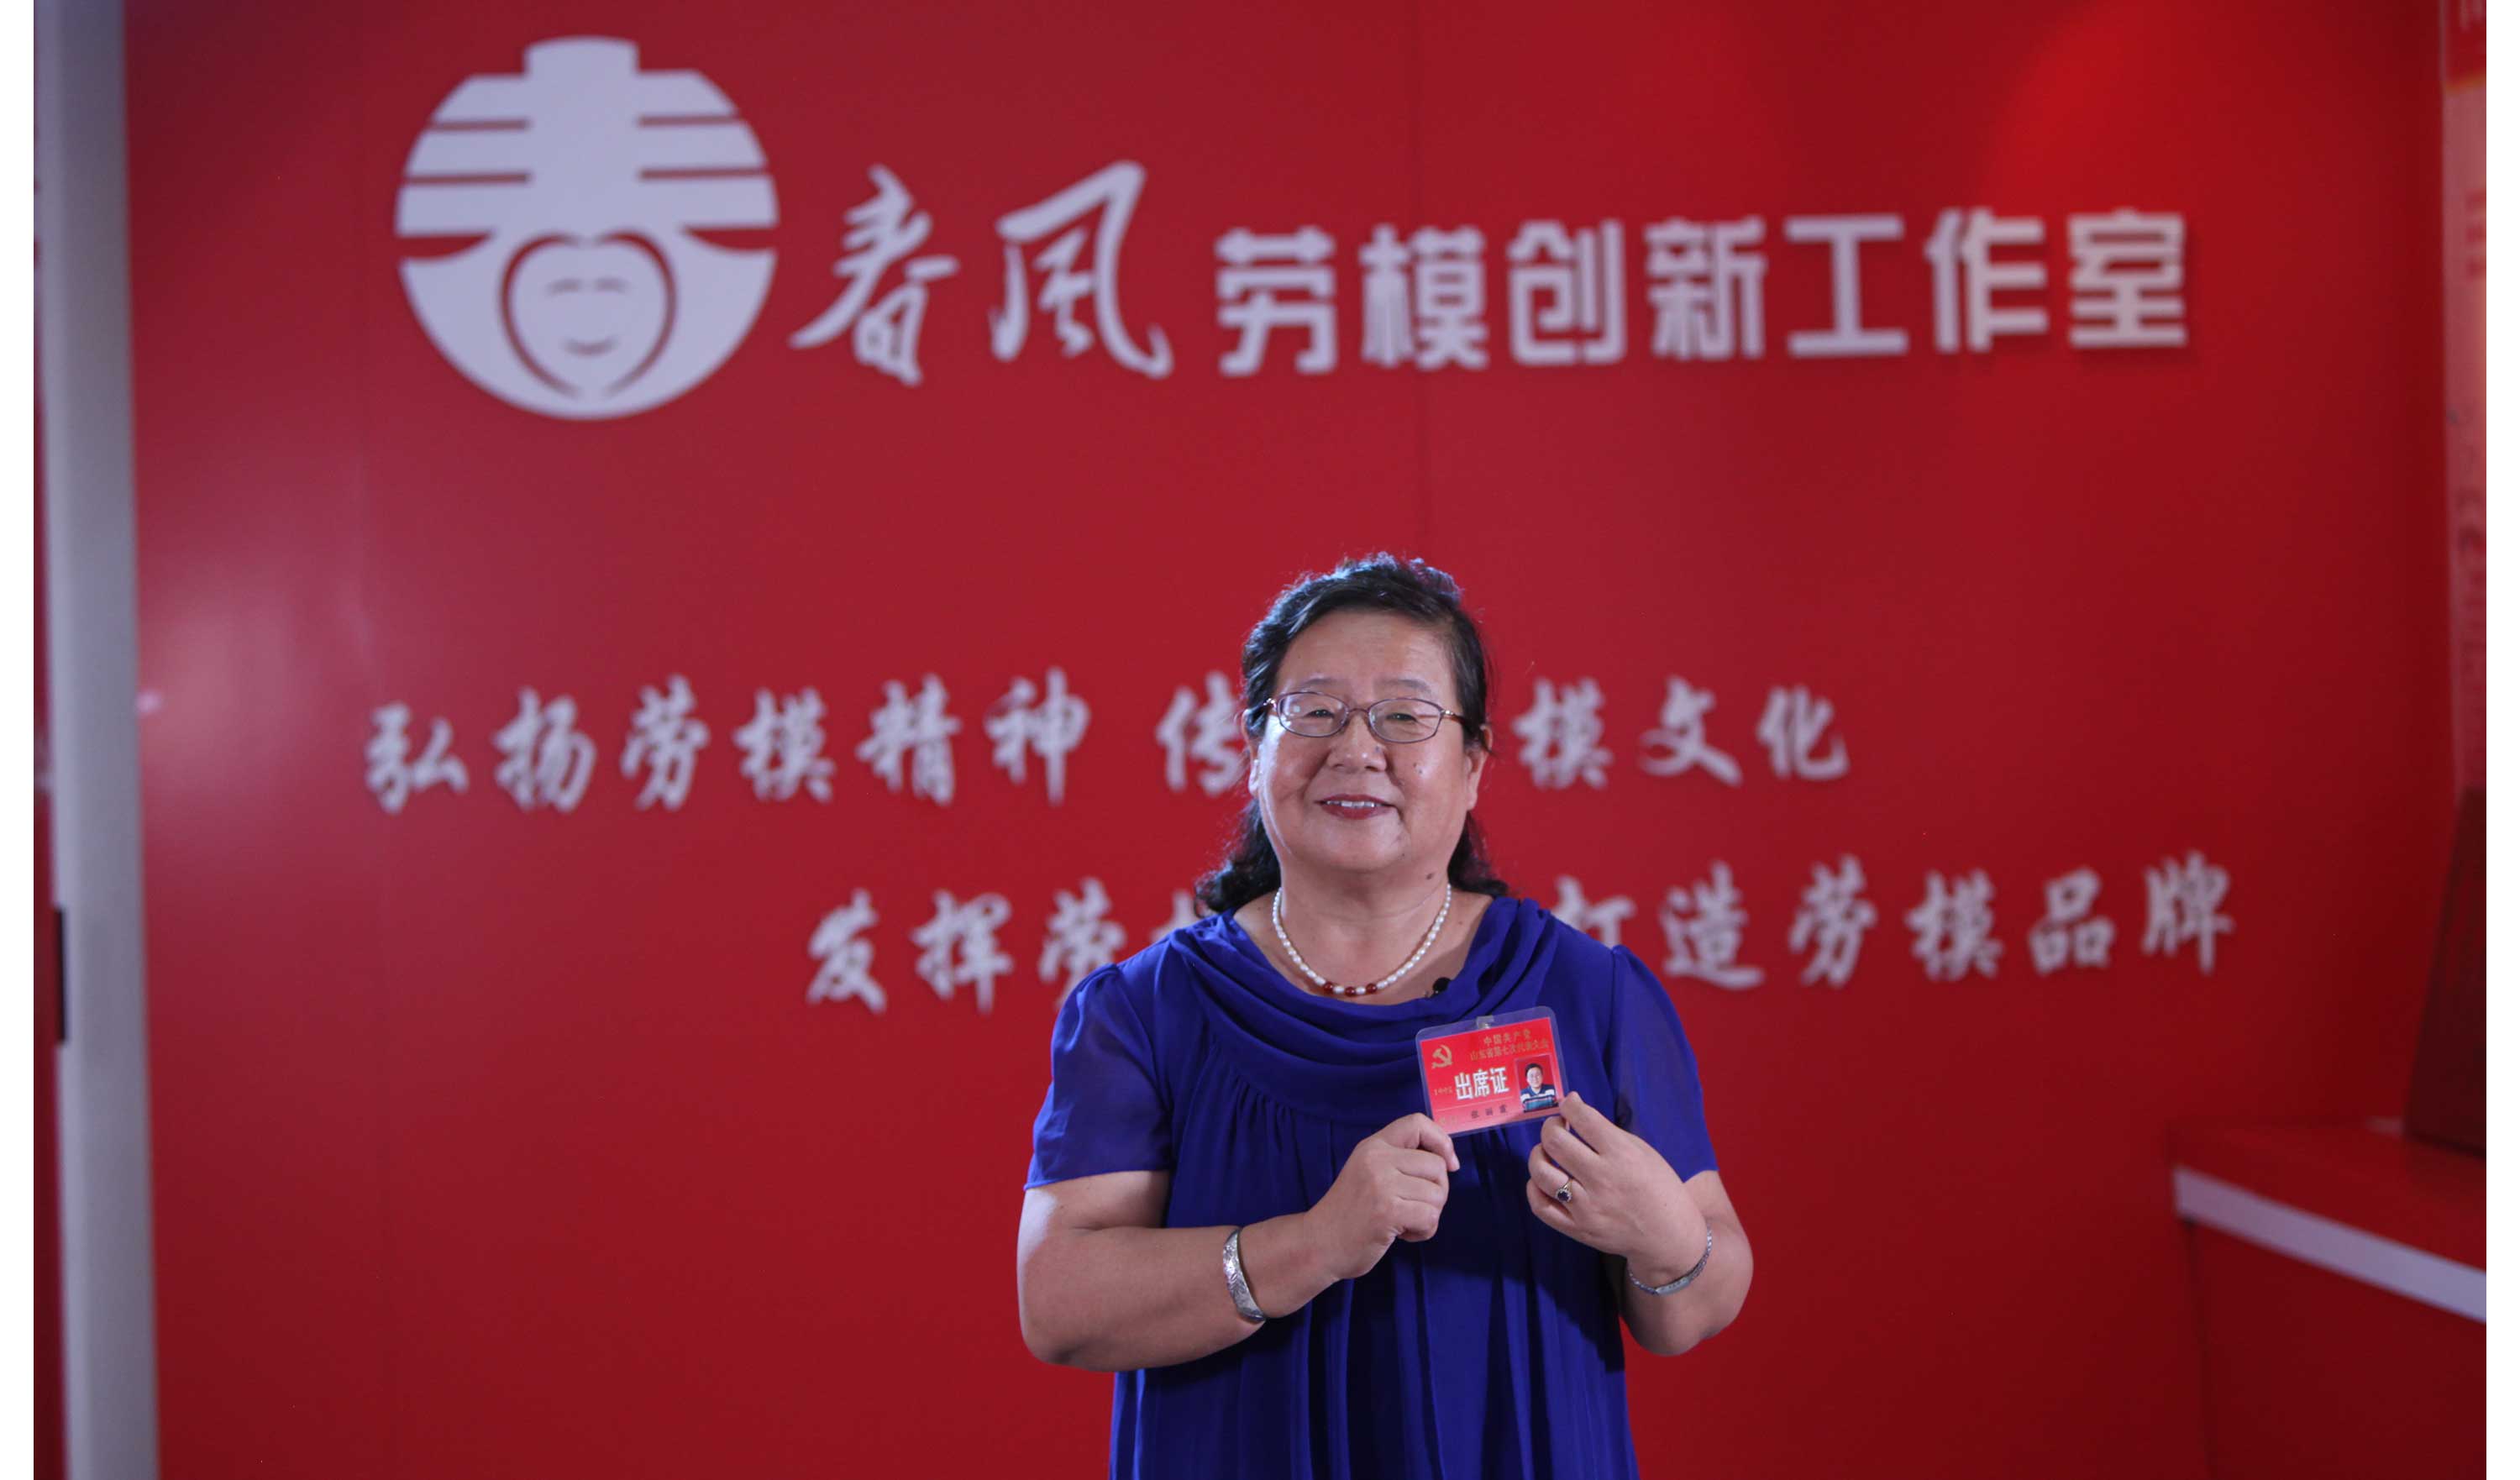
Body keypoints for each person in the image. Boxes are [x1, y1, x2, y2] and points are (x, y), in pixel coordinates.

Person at [1016, 554, 1751, 1479]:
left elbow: (1693, 1307)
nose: (1356, 749)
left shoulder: (1586, 991)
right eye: (1314, 712)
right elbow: (1058, 1301)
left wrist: (1666, 1237)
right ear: (1255, 750)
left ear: (1473, 763)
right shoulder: (1147, 1009)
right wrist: (1314, 1244)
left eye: (1405, 716)